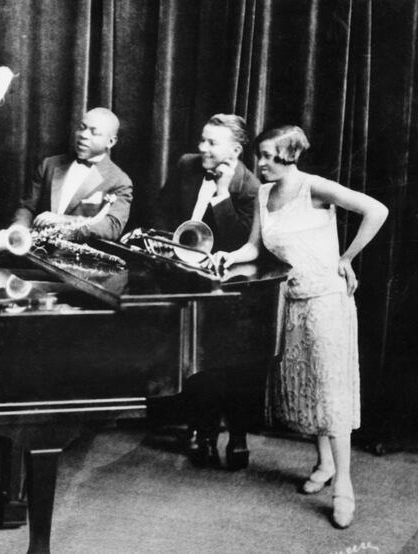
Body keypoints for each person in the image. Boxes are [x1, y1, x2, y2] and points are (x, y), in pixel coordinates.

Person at [217, 126, 388, 528]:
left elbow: (376, 210)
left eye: (269, 156)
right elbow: (254, 248)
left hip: (328, 301)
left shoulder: (314, 187)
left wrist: (346, 258)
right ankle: (324, 462)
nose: (260, 163)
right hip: (292, 302)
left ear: (290, 155)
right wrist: (226, 258)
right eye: (259, 155)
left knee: (331, 391)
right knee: (310, 387)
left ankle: (344, 485)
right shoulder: (262, 193)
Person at [151, 114, 261, 470]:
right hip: (184, 279)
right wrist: (166, 246)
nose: (202, 149)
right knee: (195, 363)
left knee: (229, 366)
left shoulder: (251, 187)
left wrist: (223, 193)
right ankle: (202, 432)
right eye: (202, 140)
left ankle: (236, 438)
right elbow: (163, 211)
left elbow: (240, 242)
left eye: (212, 143)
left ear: (236, 149)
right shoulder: (187, 165)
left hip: (230, 290)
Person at [13, 107, 133, 240]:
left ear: (110, 142)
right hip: (35, 248)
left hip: (78, 257)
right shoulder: (50, 164)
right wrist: (19, 230)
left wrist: (63, 220)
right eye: (82, 127)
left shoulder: (119, 181)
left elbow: (111, 227)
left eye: (94, 132)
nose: (84, 135)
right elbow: (27, 207)